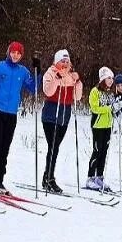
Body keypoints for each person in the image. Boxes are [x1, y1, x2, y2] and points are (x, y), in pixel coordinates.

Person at [0, 41, 40, 195]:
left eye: (18, 53)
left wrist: (38, 72)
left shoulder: (23, 71)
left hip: (11, 113)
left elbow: (34, 88)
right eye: (13, 52)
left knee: (5, 147)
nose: (15, 55)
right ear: (8, 52)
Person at [40, 49, 83, 193]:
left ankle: (48, 176)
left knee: (55, 147)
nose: (65, 64)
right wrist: (57, 79)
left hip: (64, 115)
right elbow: (48, 92)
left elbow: (77, 97)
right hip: (51, 115)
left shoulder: (71, 76)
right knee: (53, 146)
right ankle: (49, 178)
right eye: (62, 61)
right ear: (56, 61)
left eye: (67, 61)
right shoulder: (50, 73)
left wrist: (78, 82)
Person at [86, 66, 122, 191]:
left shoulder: (111, 92)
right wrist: (110, 108)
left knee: (104, 152)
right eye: (108, 78)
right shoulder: (95, 91)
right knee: (97, 151)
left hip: (108, 125)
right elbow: (95, 108)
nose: (111, 80)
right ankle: (90, 178)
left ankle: (99, 177)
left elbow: (112, 109)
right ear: (103, 79)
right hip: (97, 125)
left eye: (112, 78)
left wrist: (117, 108)